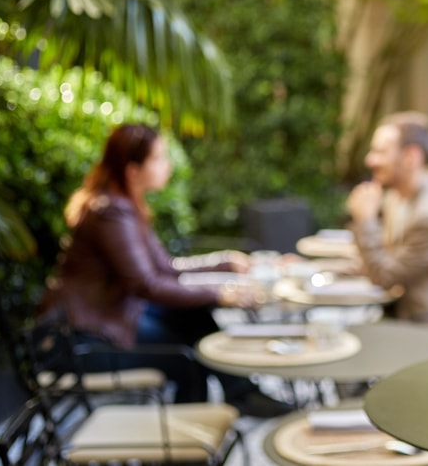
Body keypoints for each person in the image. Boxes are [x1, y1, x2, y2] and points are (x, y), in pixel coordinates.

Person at [38, 124, 288, 416]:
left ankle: (240, 394)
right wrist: (220, 294)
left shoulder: (125, 205)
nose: (167, 165)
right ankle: (201, 432)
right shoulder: (111, 212)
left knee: (193, 318)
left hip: (112, 320)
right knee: (189, 359)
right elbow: (146, 285)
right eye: (159, 158)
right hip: (85, 341)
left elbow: (166, 268)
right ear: (133, 170)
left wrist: (226, 261)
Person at [346, 111, 428, 328]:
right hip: (402, 316)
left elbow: (385, 276)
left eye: (380, 151)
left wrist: (365, 221)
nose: (370, 159)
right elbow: (383, 257)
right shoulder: (395, 197)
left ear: (410, 157)